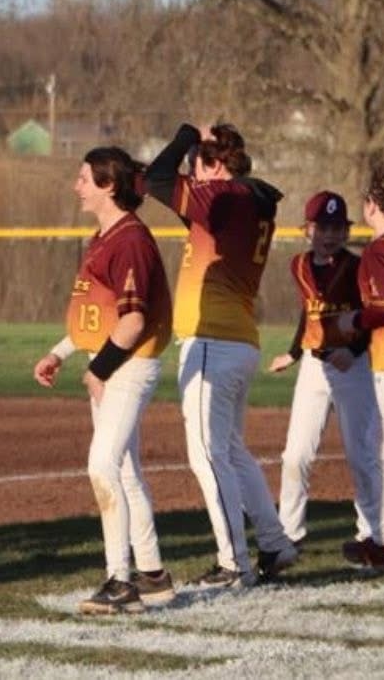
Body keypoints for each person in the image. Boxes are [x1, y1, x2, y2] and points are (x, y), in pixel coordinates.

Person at [144, 123, 298, 588]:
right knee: (231, 450)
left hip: (212, 340)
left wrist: (188, 133)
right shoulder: (246, 201)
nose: (192, 175)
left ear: (215, 164)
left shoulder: (224, 197)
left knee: (208, 456)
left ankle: (234, 564)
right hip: (236, 339)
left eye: (198, 166)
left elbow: (155, 178)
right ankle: (273, 543)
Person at [33, 147, 174, 614]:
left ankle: (120, 581)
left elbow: (132, 322)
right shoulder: (107, 235)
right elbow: (98, 317)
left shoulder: (129, 239)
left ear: (108, 186)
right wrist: (62, 350)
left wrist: (99, 368)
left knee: (101, 466)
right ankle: (152, 575)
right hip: (114, 360)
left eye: (84, 179)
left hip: (128, 364)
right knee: (126, 471)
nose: (77, 186)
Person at [267, 191, 381, 562]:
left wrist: (356, 350)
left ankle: (373, 535)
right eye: (322, 227)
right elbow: (309, 315)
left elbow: (371, 316)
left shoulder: (358, 266)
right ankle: (289, 534)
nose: (329, 235)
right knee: (295, 453)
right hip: (316, 368)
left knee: (362, 454)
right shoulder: (298, 265)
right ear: (307, 229)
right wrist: (294, 352)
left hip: (354, 366)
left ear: (346, 230)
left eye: (336, 227)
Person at [338, 162, 384, 580]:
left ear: (373, 206)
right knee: (382, 450)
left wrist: (354, 322)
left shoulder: (381, 251)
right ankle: (383, 543)